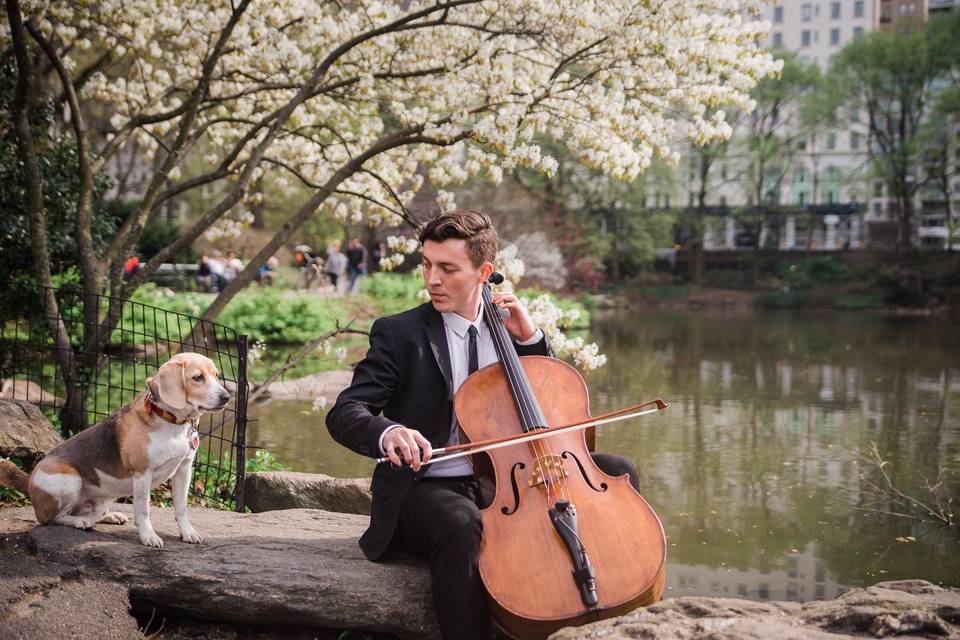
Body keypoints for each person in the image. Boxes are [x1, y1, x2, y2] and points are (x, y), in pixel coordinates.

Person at [326, 210, 640, 640]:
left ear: (483, 272)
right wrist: (388, 431)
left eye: (447, 268)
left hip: (508, 480)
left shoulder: (510, 331)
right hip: (428, 486)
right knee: (461, 520)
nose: (431, 279)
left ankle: (619, 601)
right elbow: (347, 410)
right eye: (426, 264)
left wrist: (531, 342)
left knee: (619, 469)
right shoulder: (400, 333)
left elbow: (552, 411)